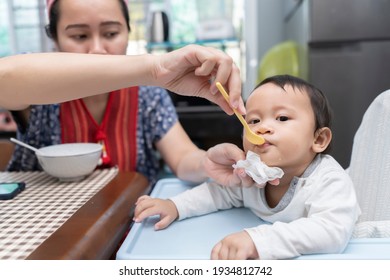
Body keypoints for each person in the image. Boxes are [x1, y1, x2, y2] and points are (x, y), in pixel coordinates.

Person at [2, 0, 245, 186]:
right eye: (79, 36)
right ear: (54, 39)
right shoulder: (39, 94)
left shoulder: (147, 96)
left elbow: (182, 157)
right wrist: (153, 68)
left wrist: (207, 163)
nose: (97, 50)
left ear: (128, 32)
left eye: (110, 34)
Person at [133, 75, 361, 260]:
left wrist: (257, 241)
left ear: (319, 139)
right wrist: (175, 205)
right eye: (253, 121)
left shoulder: (330, 181)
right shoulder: (251, 173)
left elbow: (331, 232)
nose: (262, 128)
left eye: (281, 118)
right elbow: (218, 193)